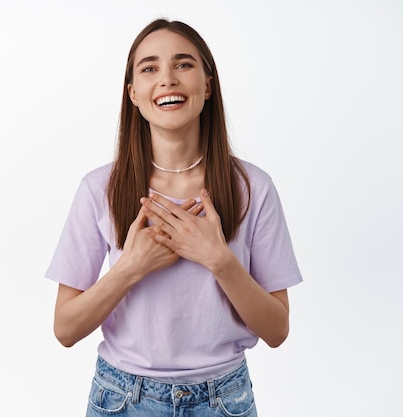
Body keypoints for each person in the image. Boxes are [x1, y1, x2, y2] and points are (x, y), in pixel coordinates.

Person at [45, 18, 302, 417]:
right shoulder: (100, 188)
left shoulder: (253, 187)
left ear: (208, 84)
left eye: (183, 64)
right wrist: (130, 268)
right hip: (122, 400)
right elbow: (65, 328)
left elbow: (277, 330)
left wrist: (217, 258)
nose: (167, 79)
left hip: (224, 401)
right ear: (133, 93)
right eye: (149, 68)